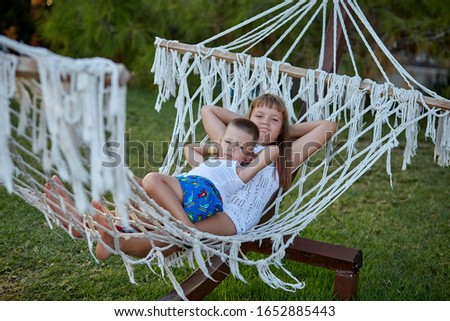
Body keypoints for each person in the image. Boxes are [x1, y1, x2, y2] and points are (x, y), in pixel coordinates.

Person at [45, 93, 336, 259]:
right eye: (258, 116)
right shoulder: (231, 139)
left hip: (233, 215)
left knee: (171, 231)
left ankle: (97, 229)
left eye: (273, 120)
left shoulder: (283, 155)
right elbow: (208, 110)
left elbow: (328, 126)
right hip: (196, 191)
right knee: (155, 218)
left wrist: (284, 131)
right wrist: (246, 127)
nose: (265, 123)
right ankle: (88, 225)